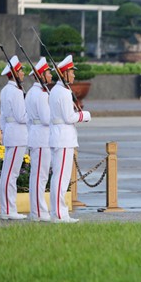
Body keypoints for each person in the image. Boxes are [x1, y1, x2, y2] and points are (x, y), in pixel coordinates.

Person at [49, 55, 91, 223]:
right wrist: (85, 115)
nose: (73, 76)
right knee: (61, 178)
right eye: (71, 72)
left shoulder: (56, 91)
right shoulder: (64, 92)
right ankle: (59, 214)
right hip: (63, 138)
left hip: (59, 137)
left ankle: (58, 212)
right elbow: (69, 117)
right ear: (64, 74)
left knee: (58, 177)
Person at [0, 55, 28, 220]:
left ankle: (7, 209)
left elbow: (3, 117)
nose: (23, 73)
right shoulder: (16, 92)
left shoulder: (5, 90)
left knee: (8, 173)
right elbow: (21, 116)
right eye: (21, 70)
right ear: (15, 73)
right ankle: (9, 210)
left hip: (11, 133)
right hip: (17, 135)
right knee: (11, 174)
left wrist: (5, 131)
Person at [26, 57, 53, 222]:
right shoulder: (42, 94)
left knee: (37, 175)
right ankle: (39, 212)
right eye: (48, 73)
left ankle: (37, 211)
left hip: (36, 136)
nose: (50, 76)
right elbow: (46, 118)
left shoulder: (31, 92)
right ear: (41, 75)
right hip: (42, 138)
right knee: (40, 176)